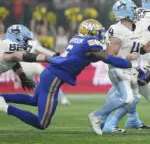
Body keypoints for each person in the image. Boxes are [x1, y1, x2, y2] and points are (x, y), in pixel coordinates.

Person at [0, 19, 142, 130]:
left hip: (50, 73)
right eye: (98, 32)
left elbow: (93, 56)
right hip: (54, 77)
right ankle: (5, 107)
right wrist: (131, 64)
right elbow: (107, 58)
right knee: (41, 123)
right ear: (91, 33)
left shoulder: (77, 38)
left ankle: (2, 97)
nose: (100, 35)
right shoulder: (90, 44)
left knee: (34, 101)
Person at [88, 0, 149, 135]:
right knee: (127, 98)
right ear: (125, 12)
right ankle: (96, 116)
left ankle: (106, 123)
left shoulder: (130, 28)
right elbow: (110, 57)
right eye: (133, 10)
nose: (136, 12)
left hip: (130, 69)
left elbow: (135, 48)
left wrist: (143, 50)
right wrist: (127, 59)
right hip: (119, 70)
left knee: (134, 98)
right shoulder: (117, 30)